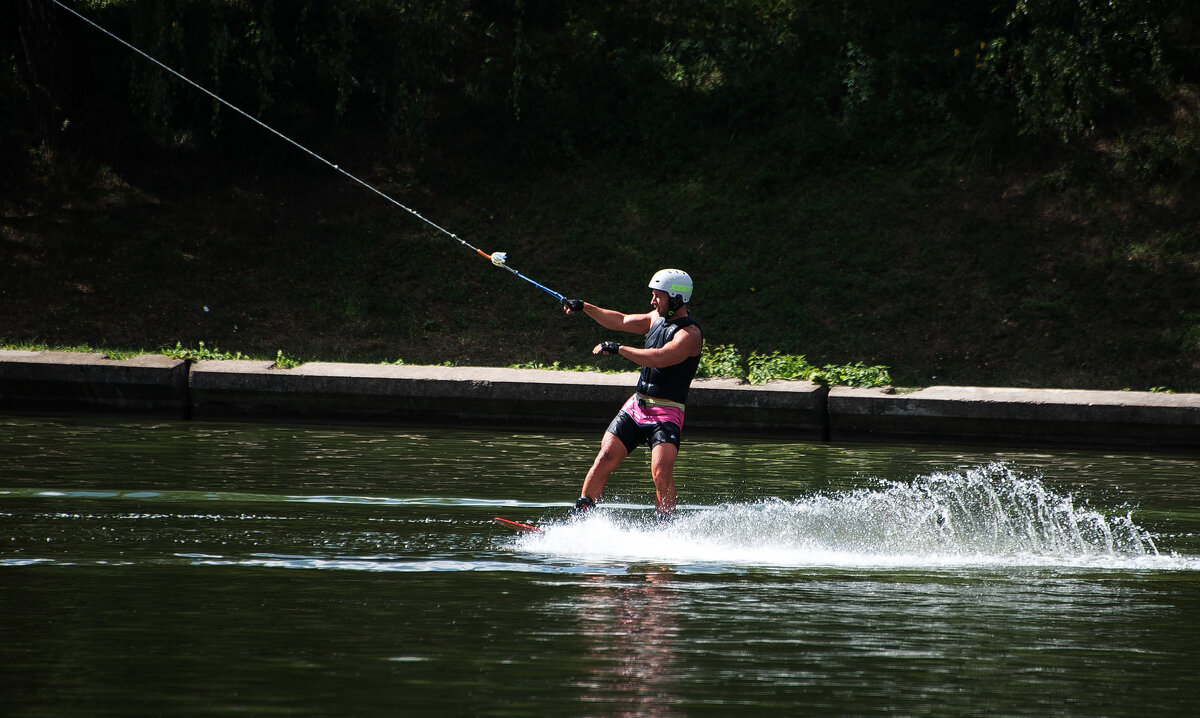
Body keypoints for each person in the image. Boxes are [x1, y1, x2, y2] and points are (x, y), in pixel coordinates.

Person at [562, 269, 702, 520]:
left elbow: (660, 358)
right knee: (604, 457)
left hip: (666, 412)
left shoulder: (689, 335)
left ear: (677, 298)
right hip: (637, 406)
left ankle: (666, 529)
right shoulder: (655, 319)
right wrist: (584, 306)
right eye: (653, 296)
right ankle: (580, 520)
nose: (652, 301)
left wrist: (620, 349)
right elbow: (620, 320)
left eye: (658, 296)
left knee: (661, 473)